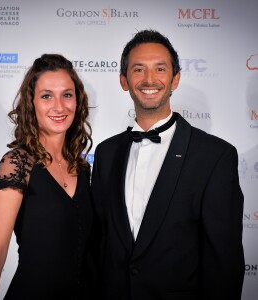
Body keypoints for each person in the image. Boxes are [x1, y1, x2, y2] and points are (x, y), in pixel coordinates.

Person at [91, 29, 245, 300]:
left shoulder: (215, 156)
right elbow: (98, 244)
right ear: (123, 81)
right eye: (138, 70)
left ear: (175, 79)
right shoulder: (106, 153)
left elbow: (224, 262)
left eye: (160, 69)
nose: (149, 79)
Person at [0, 54, 94, 300]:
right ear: (31, 103)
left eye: (67, 95)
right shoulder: (17, 163)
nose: (59, 106)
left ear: (78, 101)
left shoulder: (82, 167)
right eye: (46, 96)